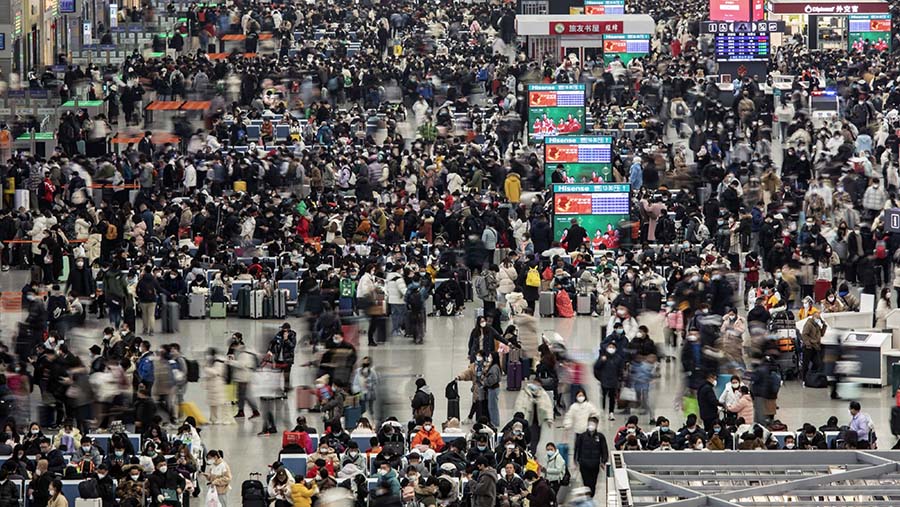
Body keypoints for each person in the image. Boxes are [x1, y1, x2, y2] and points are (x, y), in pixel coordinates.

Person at [574, 416, 608, 498]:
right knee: (586, 482)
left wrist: (603, 461)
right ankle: (588, 497)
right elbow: (577, 448)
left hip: (595, 465)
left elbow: (604, 449)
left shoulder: (600, 437)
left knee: (593, 483)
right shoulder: (582, 436)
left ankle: (590, 496)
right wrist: (576, 460)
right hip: (584, 464)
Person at [593, 341, 625, 420]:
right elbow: (596, 367)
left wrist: (620, 379)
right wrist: (601, 361)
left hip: (614, 381)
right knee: (603, 396)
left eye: (613, 347)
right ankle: (603, 410)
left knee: (612, 397)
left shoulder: (618, 358)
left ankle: (611, 412)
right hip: (604, 380)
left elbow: (620, 370)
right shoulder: (603, 357)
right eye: (610, 347)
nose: (611, 349)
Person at [266, 323, 297, 392]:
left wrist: (286, 340)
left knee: (286, 376)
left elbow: (292, 346)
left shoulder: (292, 335)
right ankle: (277, 389)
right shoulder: (279, 334)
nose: (283, 330)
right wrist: (269, 350)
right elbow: (272, 342)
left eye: (284, 329)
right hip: (278, 359)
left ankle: (286, 389)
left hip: (287, 360)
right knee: (277, 375)